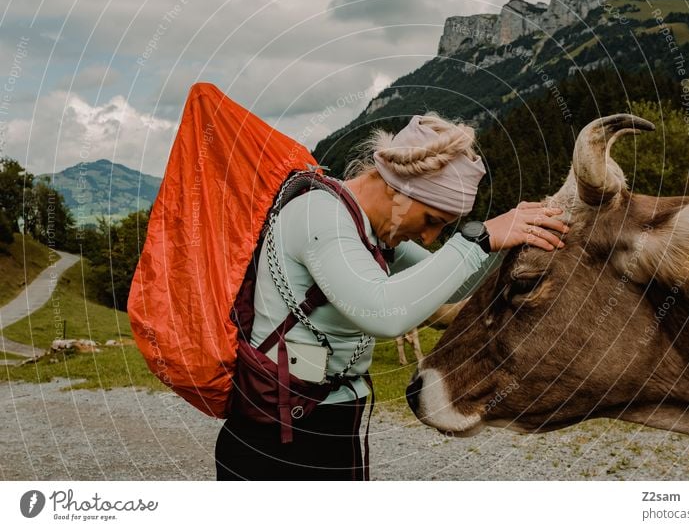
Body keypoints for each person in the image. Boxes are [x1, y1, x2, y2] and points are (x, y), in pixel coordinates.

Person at [215, 113, 569, 480]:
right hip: (277, 440)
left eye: (442, 228)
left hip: (331, 424)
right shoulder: (319, 217)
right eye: (431, 219)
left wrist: (521, 246)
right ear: (398, 189)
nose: (429, 238)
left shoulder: (368, 232)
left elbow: (455, 287)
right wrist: (477, 239)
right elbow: (385, 313)